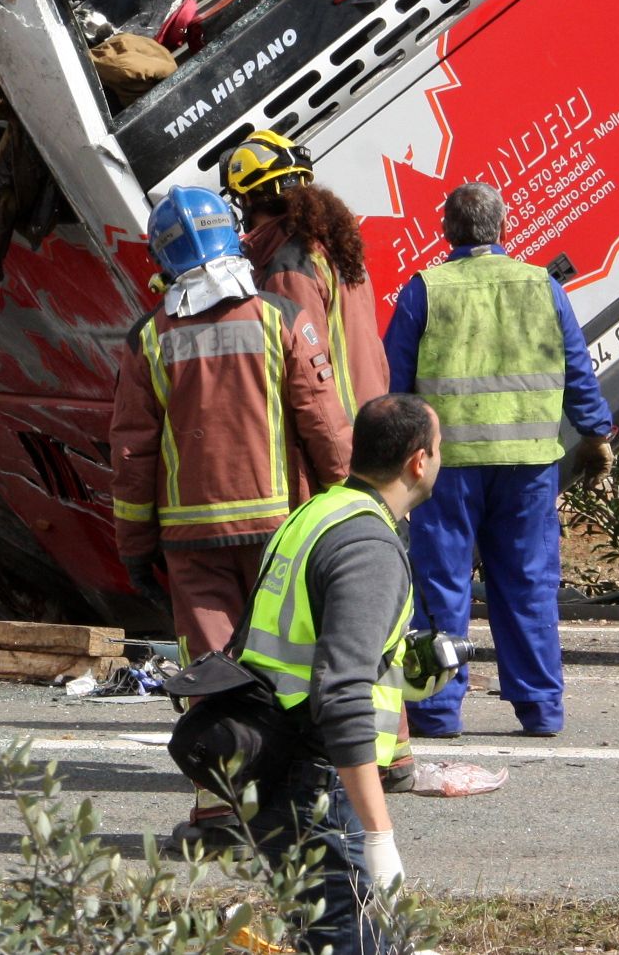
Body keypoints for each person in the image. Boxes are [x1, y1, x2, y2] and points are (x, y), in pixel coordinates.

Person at [112, 185, 349, 852]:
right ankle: (299, 805)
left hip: (192, 539)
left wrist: (134, 545)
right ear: (231, 241)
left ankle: (219, 816)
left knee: (211, 670)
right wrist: (347, 501)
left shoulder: (149, 340)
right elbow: (323, 425)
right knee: (285, 666)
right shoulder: (279, 319)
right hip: (281, 529)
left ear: (164, 258)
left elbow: (131, 454)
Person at [166, 394, 443, 955]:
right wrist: (379, 834)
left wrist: (400, 671)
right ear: (419, 461)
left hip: (276, 769)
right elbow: (340, 694)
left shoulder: (317, 514)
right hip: (316, 786)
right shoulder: (369, 546)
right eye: (440, 451)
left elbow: (295, 646)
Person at [382, 181, 614, 740]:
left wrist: (386, 462)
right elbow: (577, 369)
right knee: (528, 585)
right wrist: (596, 432)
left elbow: (394, 384)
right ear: (503, 229)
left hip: (446, 469)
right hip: (529, 467)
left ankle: (437, 712)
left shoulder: (424, 291)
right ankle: (541, 710)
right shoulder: (543, 287)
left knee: (441, 587)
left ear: (446, 231)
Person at [223, 131, 389, 419]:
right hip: (373, 414)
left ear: (247, 199)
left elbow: (307, 372)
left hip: (343, 432)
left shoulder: (286, 267)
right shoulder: (331, 241)